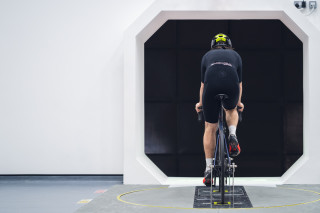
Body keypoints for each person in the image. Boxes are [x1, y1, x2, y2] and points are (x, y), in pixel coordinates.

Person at [195, 33, 244, 186]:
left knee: (210, 127)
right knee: (231, 109)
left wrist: (200, 103)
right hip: (231, 84)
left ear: (212, 45)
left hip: (211, 87)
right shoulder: (236, 55)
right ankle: (233, 135)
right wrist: (239, 102)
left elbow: (203, 85)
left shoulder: (207, 56)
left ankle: (209, 169)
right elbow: (239, 84)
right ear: (229, 44)